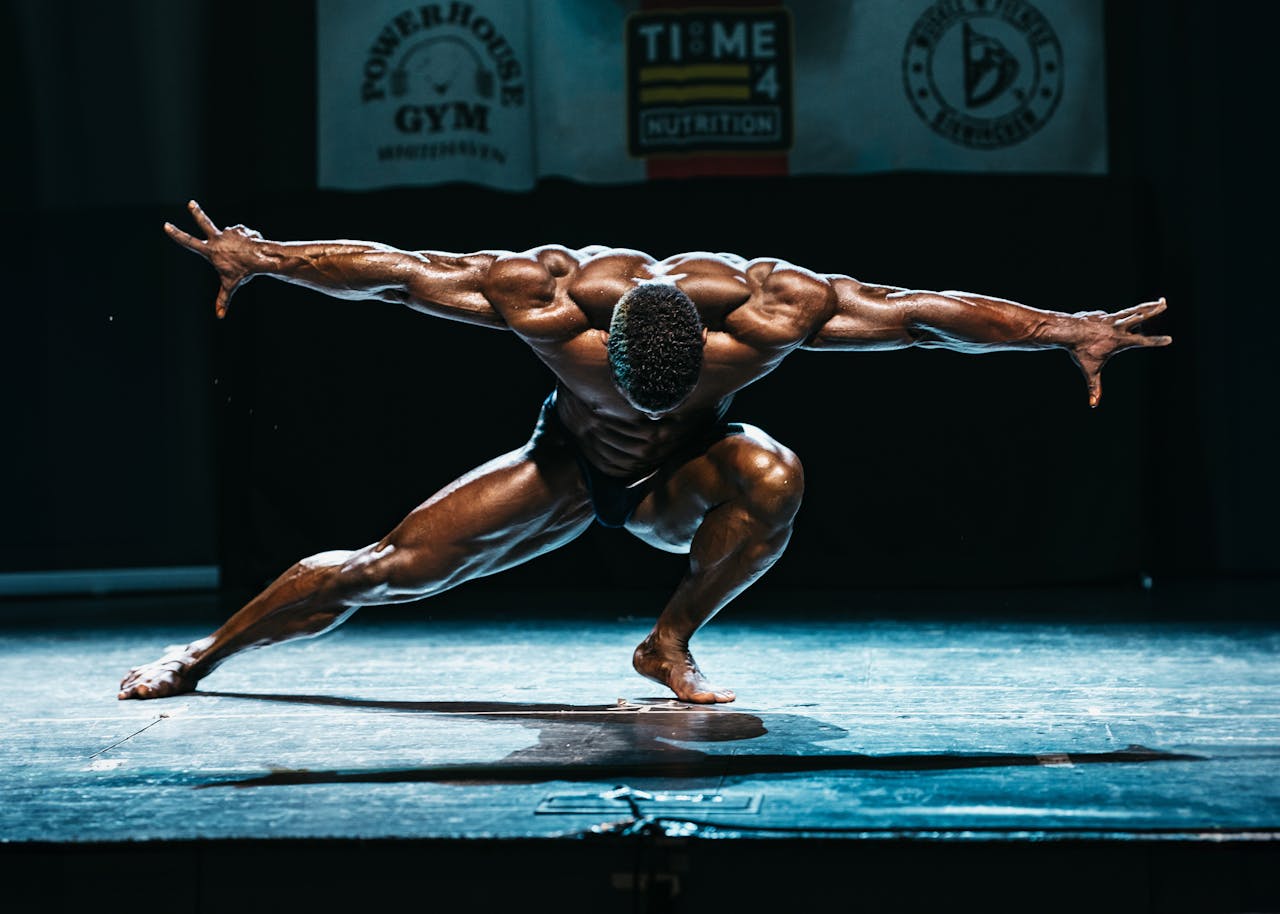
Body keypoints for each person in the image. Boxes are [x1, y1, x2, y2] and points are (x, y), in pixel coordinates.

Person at [119, 200, 1171, 705]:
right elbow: (393, 273)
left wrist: (1062, 326)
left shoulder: (771, 311)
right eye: (624, 383)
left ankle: (665, 641)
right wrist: (264, 259)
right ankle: (202, 656)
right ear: (599, 341)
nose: (639, 396)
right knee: (380, 572)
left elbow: (920, 317)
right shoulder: (541, 295)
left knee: (773, 475)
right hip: (568, 465)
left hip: (686, 476)